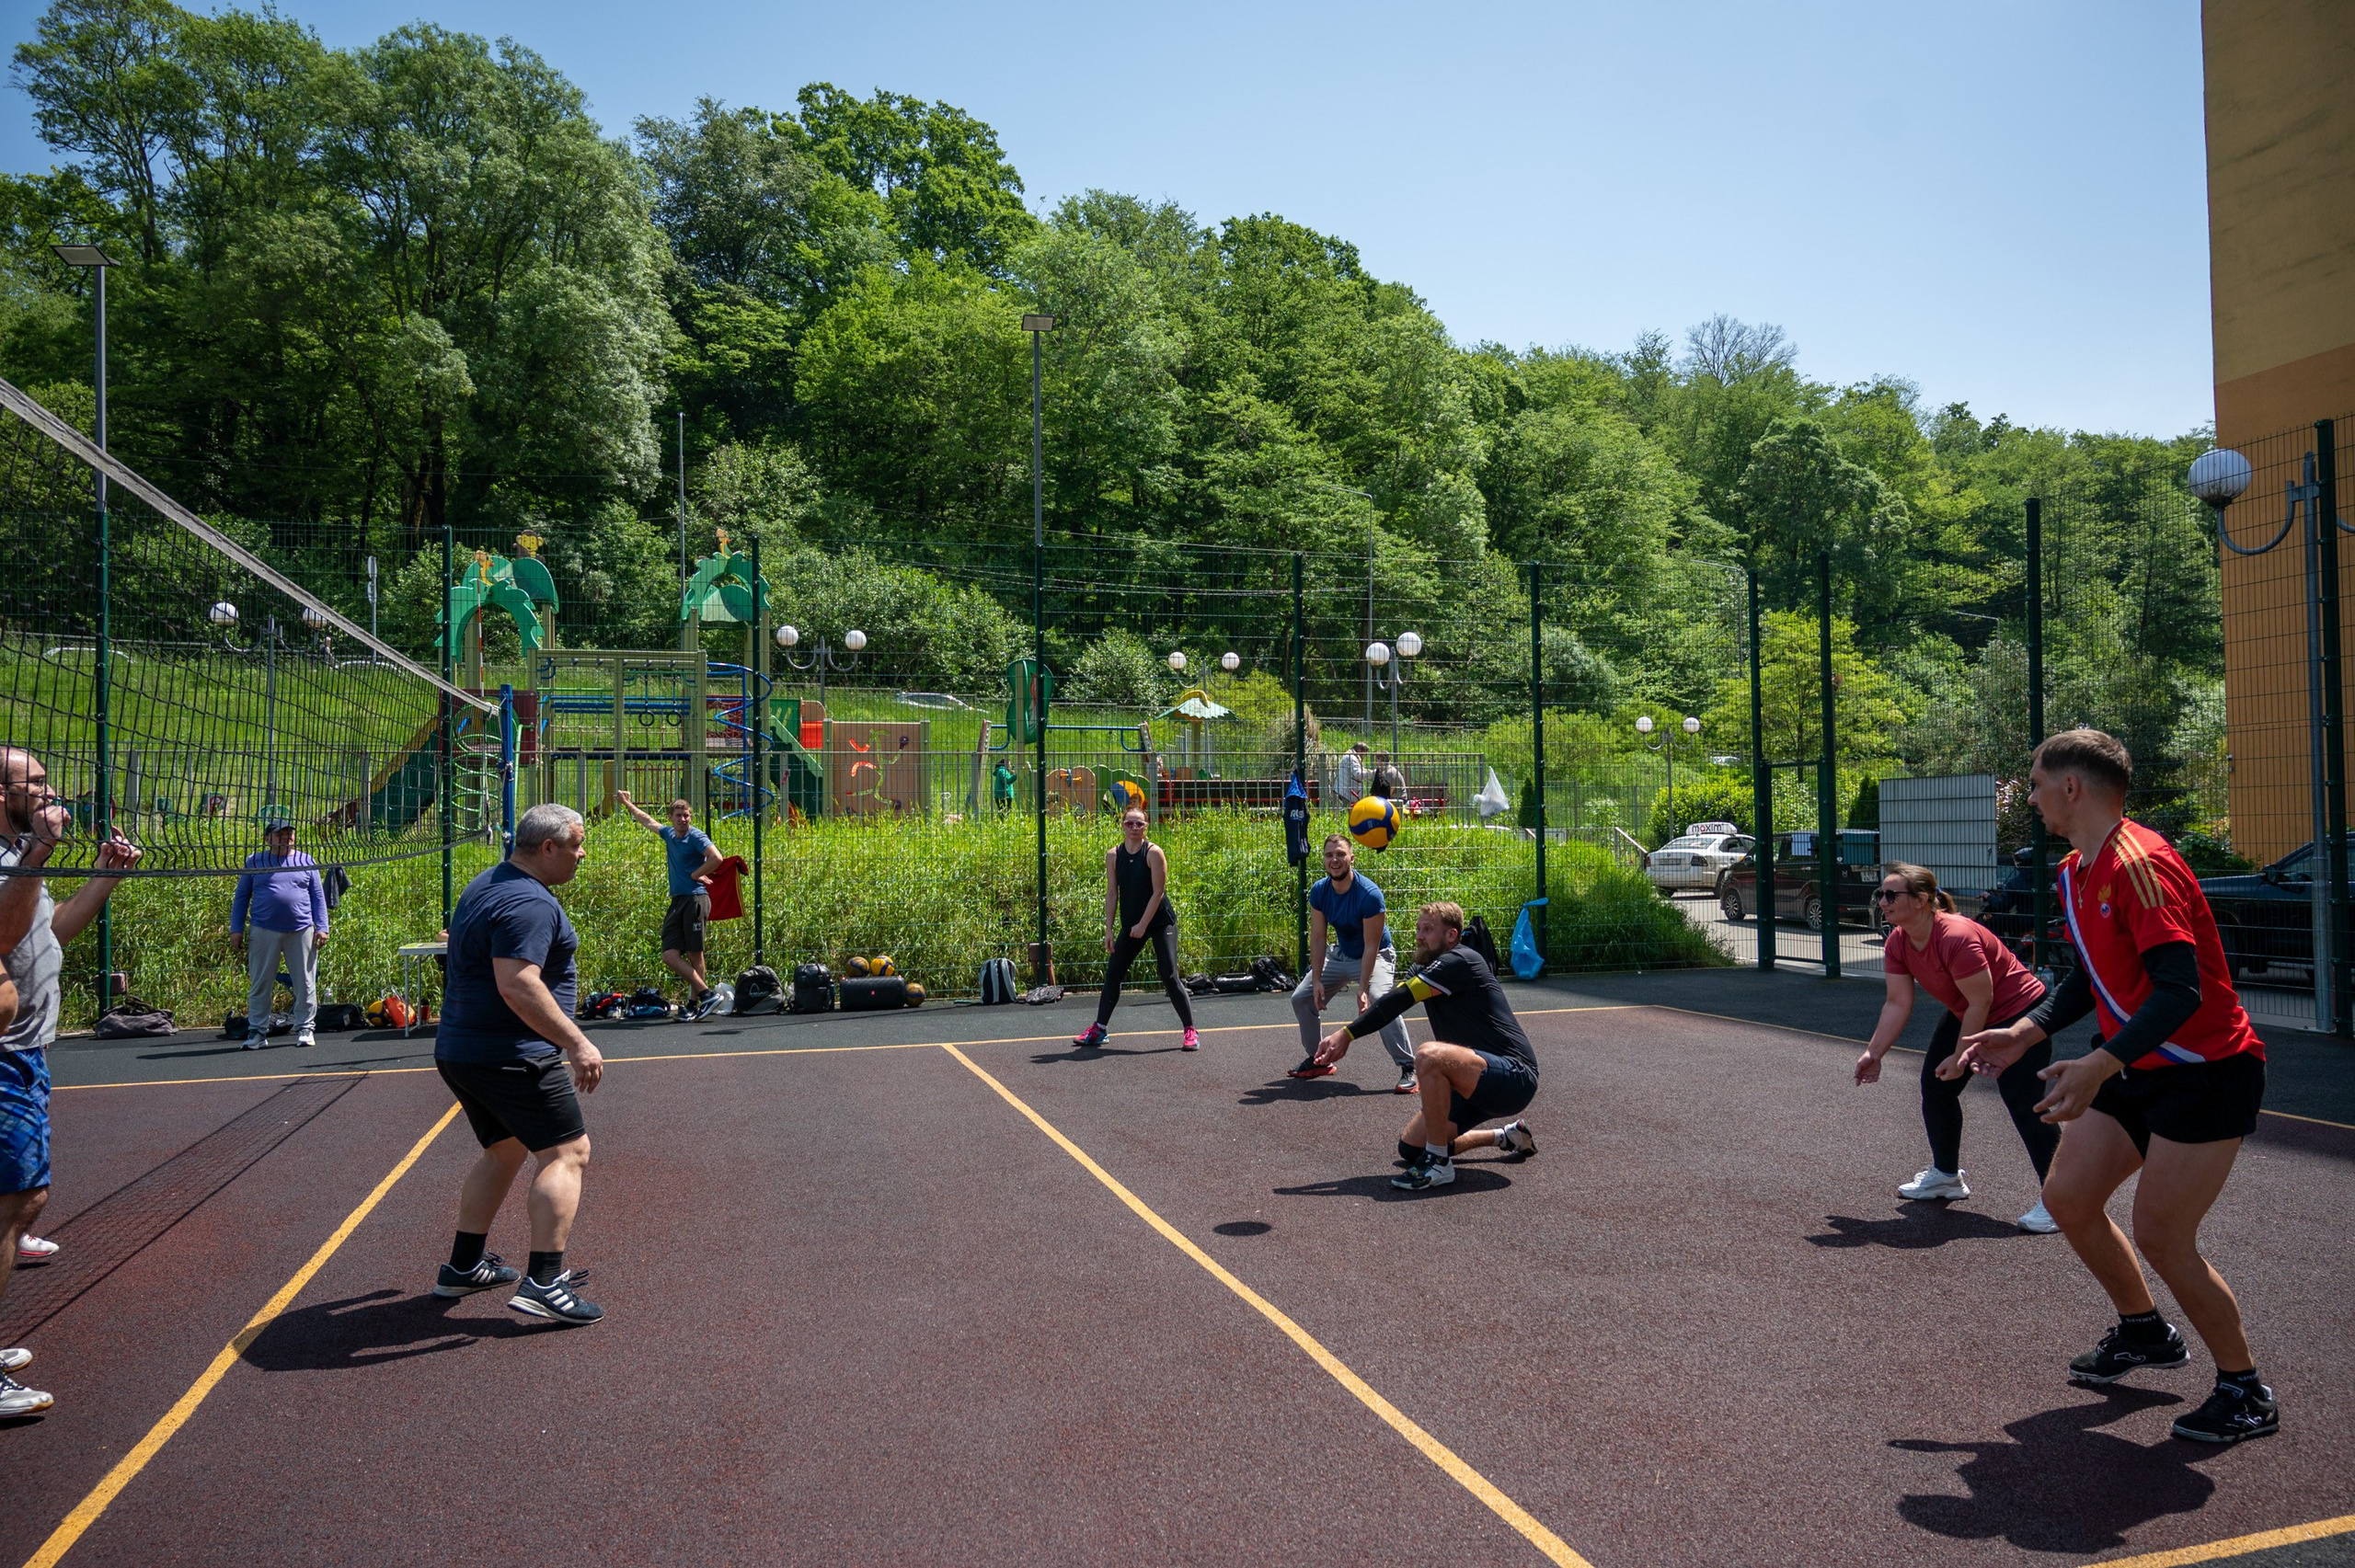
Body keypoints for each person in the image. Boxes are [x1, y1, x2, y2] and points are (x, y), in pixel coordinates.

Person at [1957, 729, 2275, 1446]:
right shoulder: (2075, 870)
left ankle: (2245, 1389)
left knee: (2162, 1233)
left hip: (2206, 1070)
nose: (2031, 798)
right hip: (2135, 1063)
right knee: (2068, 1198)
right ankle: (2145, 1331)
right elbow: (2089, 973)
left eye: (2036, 783)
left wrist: (2100, 1063)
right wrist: (2026, 1031)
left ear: (2071, 786)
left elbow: (2180, 990)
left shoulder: (2141, 864)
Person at [0, 746, 140, 1417]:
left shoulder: (17, 854)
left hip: (27, 1051)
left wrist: (103, 878)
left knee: (17, 1203)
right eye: (34, 782)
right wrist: (39, 852)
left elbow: (48, 933)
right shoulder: (14, 857)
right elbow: (2, 934)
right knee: (18, 1200)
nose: (49, 790)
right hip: (4, 1054)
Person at [431, 802, 607, 1326]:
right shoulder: (530, 902)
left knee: (505, 1149)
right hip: (512, 1055)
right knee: (568, 1153)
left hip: (462, 1050)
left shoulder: (486, 883)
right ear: (548, 847)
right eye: (575, 845)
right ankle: (545, 1284)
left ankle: (464, 1266)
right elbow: (517, 983)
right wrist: (577, 1042)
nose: (582, 854)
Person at [1855, 862, 2060, 1232]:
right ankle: (1947, 1176)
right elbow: (1897, 1003)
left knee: (2023, 1102)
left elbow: (1983, 1000)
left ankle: (2062, 1199)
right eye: (1880, 894)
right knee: (1937, 1087)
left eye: (1891, 895)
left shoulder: (1956, 936)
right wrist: (1874, 1052)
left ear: (1921, 900)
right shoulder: (1898, 941)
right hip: (1969, 1009)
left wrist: (1961, 1056)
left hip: (2019, 1013)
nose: (1882, 901)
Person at [1315, 902, 1538, 1191]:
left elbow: (1399, 1000)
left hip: (1513, 1077)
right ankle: (1506, 1136)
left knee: (1429, 1055)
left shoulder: (1460, 959)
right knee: (1411, 1148)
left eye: (1428, 930)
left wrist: (1346, 1035)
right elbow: (1394, 999)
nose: (1419, 936)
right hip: (1472, 1079)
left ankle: (1439, 1164)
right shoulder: (1427, 966)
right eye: (1419, 928)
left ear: (1451, 935)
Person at [1289, 833, 1416, 1092]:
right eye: (1329, 855)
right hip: (1341, 955)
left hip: (1376, 955)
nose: (1334, 860)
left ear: (1352, 858)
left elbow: (1371, 945)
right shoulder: (1320, 891)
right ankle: (1319, 1059)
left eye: (1340, 854)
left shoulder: (1369, 894)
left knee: (1381, 1000)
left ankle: (1408, 1066)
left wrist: (1363, 988)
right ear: (1324, 860)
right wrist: (1316, 980)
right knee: (1301, 997)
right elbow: (1318, 937)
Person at [1073, 806, 1199, 1052]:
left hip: (1159, 922)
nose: (1134, 828)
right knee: (1114, 973)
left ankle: (1190, 1030)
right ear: (1122, 825)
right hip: (1132, 925)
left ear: (1146, 827)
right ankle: (1099, 1029)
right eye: (1129, 823)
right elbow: (1112, 893)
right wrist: (1109, 930)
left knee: (1169, 974)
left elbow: (1158, 893)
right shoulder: (1113, 855)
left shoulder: (1153, 853)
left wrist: (1143, 925)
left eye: (1139, 824)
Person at [615, 791, 724, 1017]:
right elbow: (647, 820)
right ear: (671, 818)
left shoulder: (696, 837)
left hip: (695, 899)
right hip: (678, 900)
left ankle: (694, 1005)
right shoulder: (669, 834)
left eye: (687, 815)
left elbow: (717, 858)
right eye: (679, 815)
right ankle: (707, 995)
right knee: (669, 955)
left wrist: (695, 874)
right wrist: (627, 803)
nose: (683, 819)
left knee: (695, 954)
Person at [229, 816, 329, 1049]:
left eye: (289, 832)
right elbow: (242, 896)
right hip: (263, 930)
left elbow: (318, 896)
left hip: (302, 930)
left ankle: (305, 1028)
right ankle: (257, 1031)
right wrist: (236, 929)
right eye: (280, 833)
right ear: (268, 839)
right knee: (260, 983)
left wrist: (322, 927)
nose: (286, 837)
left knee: (305, 982)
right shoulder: (254, 861)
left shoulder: (306, 861)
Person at [1337, 742, 1372, 806]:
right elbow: (1358, 774)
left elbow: (1360, 770)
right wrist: (1373, 773)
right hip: (1346, 793)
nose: (1365, 756)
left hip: (1346, 791)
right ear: (1359, 750)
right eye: (1365, 753)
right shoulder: (1352, 758)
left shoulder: (1352, 757)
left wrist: (1369, 772)